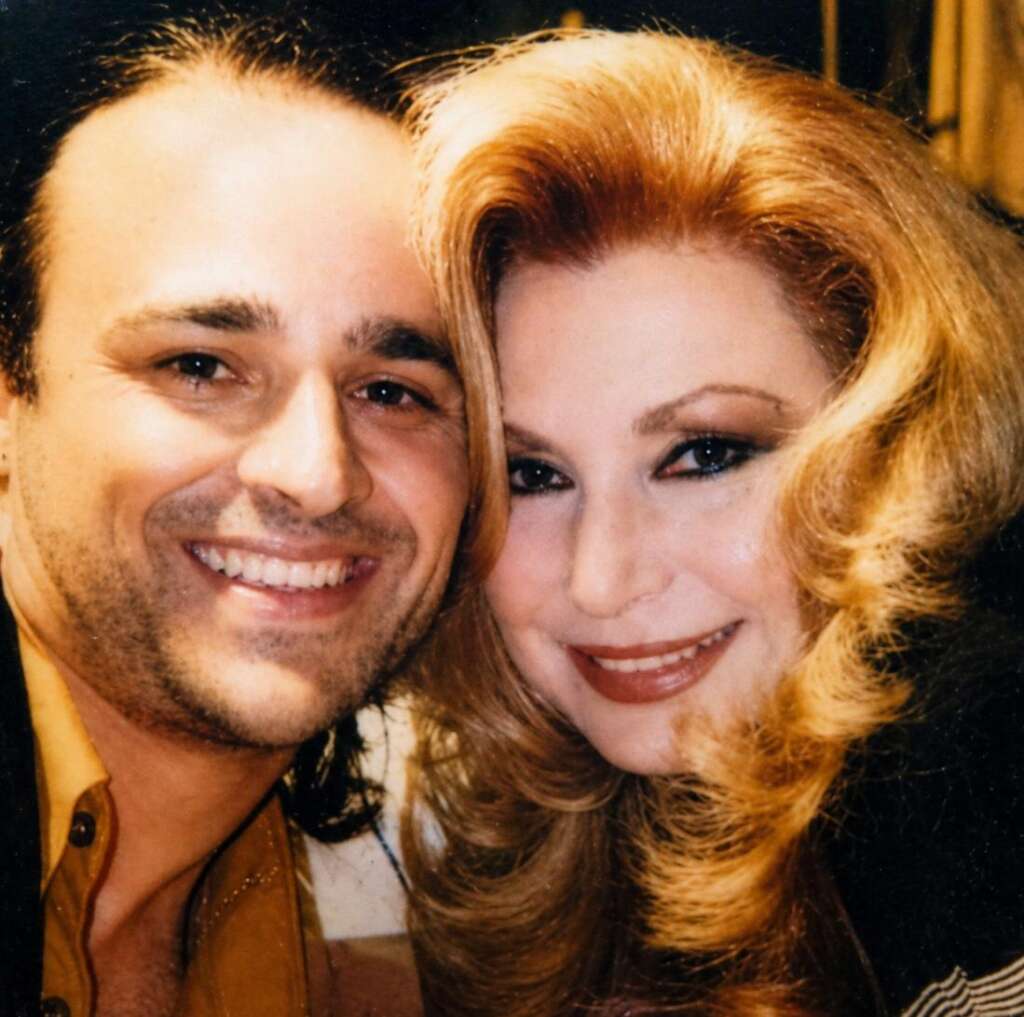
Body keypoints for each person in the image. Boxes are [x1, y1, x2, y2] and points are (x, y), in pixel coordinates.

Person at [402, 29, 1024, 1017]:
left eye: (703, 455)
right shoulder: (529, 801)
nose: (602, 580)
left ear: (900, 441)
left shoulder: (977, 791)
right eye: (531, 475)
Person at [0, 5, 503, 1014]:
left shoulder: (304, 920)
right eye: (200, 366)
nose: (317, 474)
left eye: (392, 390)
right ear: (11, 404)